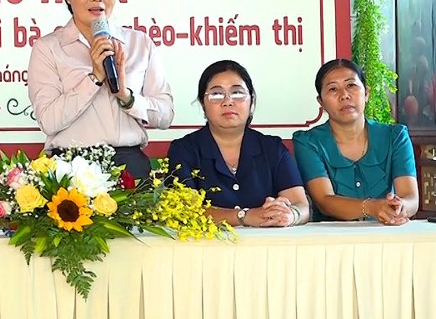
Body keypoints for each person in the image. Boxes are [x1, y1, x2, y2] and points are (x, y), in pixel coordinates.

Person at [27, 0, 174, 177]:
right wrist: (94, 78)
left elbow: (165, 116)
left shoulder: (139, 43)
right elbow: (48, 120)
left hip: (130, 166)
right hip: (71, 169)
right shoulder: (48, 48)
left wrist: (127, 97)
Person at [167, 61, 309, 227]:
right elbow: (186, 211)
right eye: (216, 94)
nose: (228, 101)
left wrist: (290, 215)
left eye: (237, 93)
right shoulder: (183, 150)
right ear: (202, 104)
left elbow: (301, 205)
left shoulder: (273, 148)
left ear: (251, 101)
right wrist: (245, 216)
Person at [293, 58, 419, 224]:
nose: (344, 95)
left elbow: (410, 198)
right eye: (333, 89)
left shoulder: (395, 136)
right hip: (331, 236)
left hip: (386, 231)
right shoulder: (308, 142)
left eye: (351, 85)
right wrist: (373, 207)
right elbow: (324, 201)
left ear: (366, 93)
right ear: (321, 102)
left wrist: (399, 207)